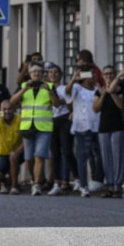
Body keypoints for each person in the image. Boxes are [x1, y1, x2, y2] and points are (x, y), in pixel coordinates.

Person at [10, 62, 60, 195]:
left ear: (43, 73)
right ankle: (35, 179)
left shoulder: (49, 86)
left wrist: (49, 91)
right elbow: (12, 102)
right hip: (27, 127)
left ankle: (37, 184)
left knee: (39, 156)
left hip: (44, 128)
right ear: (29, 74)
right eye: (34, 72)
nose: (37, 74)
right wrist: (23, 90)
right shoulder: (23, 86)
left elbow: (57, 104)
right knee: (29, 158)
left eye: (39, 72)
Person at [67, 64, 103, 197]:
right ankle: (83, 185)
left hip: (96, 126)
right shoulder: (77, 87)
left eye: (94, 74)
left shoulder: (97, 89)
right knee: (83, 156)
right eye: (90, 74)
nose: (93, 77)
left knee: (98, 155)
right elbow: (67, 93)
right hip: (81, 126)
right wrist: (74, 78)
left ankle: (96, 180)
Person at [95, 65, 124, 198]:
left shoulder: (119, 89)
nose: (108, 76)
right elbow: (95, 108)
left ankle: (117, 185)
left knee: (118, 157)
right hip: (104, 128)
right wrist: (103, 95)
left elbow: (121, 106)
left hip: (117, 127)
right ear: (103, 76)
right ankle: (109, 184)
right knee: (106, 157)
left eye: (111, 74)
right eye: (106, 74)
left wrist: (111, 92)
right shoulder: (99, 91)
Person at [47, 62, 76, 196]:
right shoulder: (45, 88)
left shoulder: (64, 88)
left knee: (67, 150)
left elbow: (70, 106)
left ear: (60, 75)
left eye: (56, 73)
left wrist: (65, 103)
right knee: (55, 153)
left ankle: (76, 178)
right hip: (50, 121)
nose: (53, 75)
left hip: (64, 120)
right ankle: (57, 182)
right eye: (51, 73)